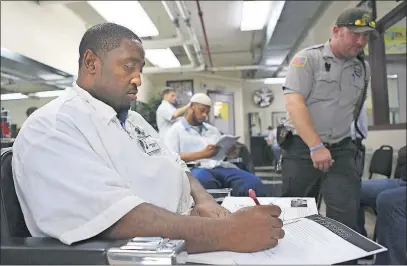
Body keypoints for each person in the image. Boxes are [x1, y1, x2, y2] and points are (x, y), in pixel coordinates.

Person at [12, 23, 284, 253]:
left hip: (186, 231)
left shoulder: (133, 119)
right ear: (91, 62)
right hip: (145, 253)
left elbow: (177, 166)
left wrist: (204, 200)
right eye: (128, 66)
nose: (138, 79)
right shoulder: (53, 126)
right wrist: (227, 233)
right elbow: (116, 219)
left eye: (140, 68)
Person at [280, 7, 376, 232]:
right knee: (297, 216)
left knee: (346, 218)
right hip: (302, 148)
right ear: (336, 31)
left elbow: (355, 109)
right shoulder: (307, 59)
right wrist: (315, 145)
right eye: (355, 33)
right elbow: (294, 103)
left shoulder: (362, 68)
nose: (361, 41)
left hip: (341, 149)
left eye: (366, 36)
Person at [165, 93, 266, 197]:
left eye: (207, 112)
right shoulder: (175, 131)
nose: (205, 115)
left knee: (253, 183)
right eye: (201, 110)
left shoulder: (212, 130)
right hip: (194, 169)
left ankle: (245, 210)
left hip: (219, 167)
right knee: (204, 181)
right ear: (191, 107)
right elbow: (171, 158)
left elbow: (220, 154)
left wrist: (230, 152)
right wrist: (202, 154)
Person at [357, 145, 406, 265]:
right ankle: (361, 247)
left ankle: (390, 262)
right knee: (354, 188)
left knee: (389, 200)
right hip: (403, 180)